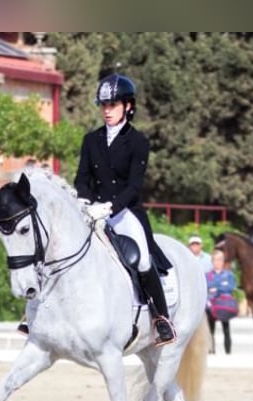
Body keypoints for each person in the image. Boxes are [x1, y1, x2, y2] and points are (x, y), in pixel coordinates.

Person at [73, 73, 176, 346]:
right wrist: (84, 201)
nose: (107, 111)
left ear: (128, 107)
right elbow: (82, 177)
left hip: (124, 211)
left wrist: (110, 207)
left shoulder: (138, 142)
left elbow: (134, 186)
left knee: (142, 258)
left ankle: (161, 317)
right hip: (92, 209)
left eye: (113, 105)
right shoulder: (91, 140)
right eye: (104, 105)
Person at [205, 249, 236, 354]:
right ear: (212, 261)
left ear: (223, 261)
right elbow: (207, 287)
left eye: (220, 260)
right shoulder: (208, 275)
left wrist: (216, 289)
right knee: (211, 329)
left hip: (224, 305)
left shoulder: (229, 275)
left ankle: (228, 352)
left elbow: (231, 288)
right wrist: (222, 286)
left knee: (226, 329)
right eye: (215, 260)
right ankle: (211, 350)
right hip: (212, 305)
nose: (218, 262)